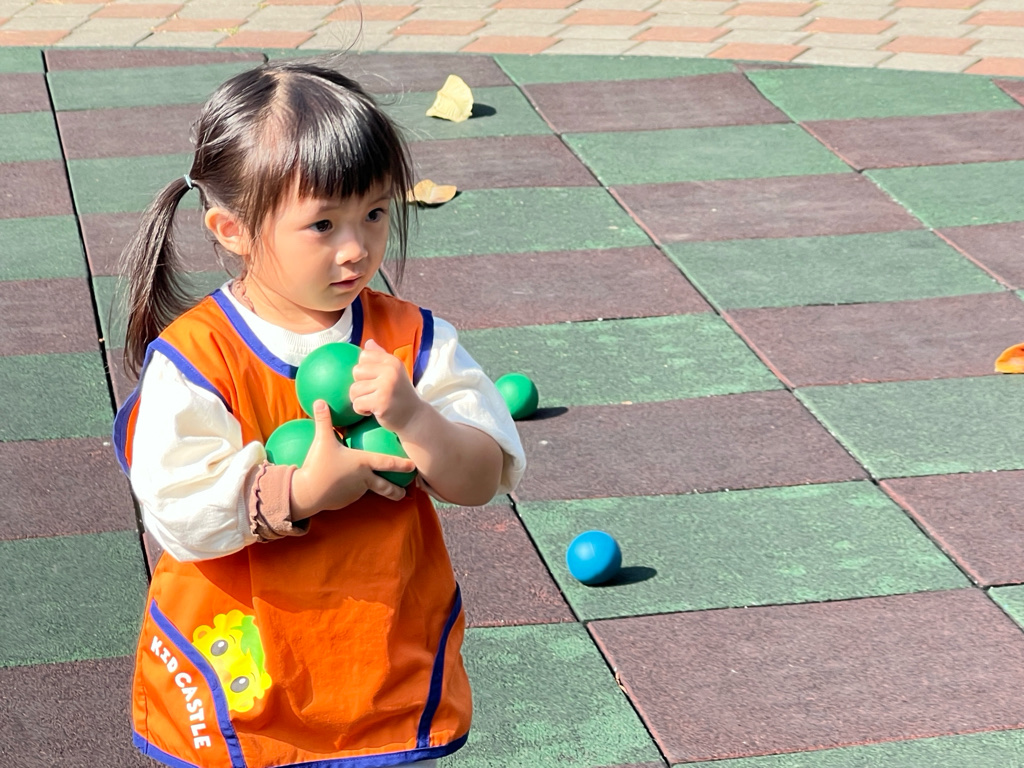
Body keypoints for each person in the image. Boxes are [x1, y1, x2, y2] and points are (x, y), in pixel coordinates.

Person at [112, 56, 525, 768]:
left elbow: (481, 476)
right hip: (245, 675)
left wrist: (415, 417)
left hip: (379, 663)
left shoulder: (415, 342)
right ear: (233, 229)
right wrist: (300, 491)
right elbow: (178, 513)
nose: (356, 248)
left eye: (374, 213)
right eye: (323, 224)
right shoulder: (196, 360)